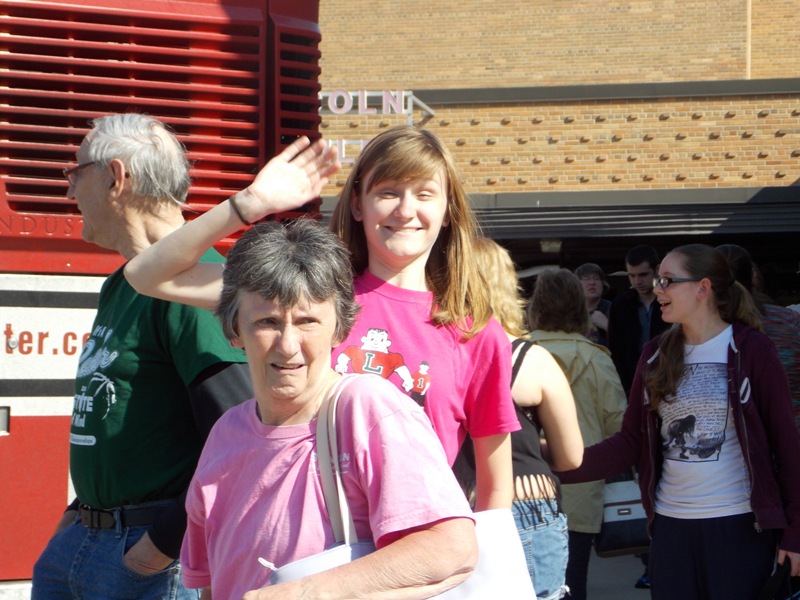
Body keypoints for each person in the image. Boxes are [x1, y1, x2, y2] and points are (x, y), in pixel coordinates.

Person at [125, 125, 519, 511]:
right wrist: (248, 204)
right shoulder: (307, 293)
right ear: (357, 204)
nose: (405, 210)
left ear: (448, 211)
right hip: (296, 533)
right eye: (387, 192)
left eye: (424, 194)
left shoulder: (476, 334)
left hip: (411, 541)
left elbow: (496, 486)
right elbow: (146, 275)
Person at [181, 219, 477, 599]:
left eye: (307, 322)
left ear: (340, 328)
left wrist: (303, 593)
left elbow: (451, 547)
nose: (288, 344)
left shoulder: (366, 410)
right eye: (267, 322)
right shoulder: (225, 434)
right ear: (234, 329)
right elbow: (211, 583)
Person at [31, 114, 254, 599]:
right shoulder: (123, 283)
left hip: (143, 560)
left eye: (75, 173)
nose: (69, 192)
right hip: (90, 539)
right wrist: (78, 516)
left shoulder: (195, 288)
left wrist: (159, 546)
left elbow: (240, 436)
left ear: (116, 177)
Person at [558, 244, 800, 600]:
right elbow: (630, 441)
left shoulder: (752, 349)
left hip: (739, 527)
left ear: (703, 287)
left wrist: (794, 532)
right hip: (671, 528)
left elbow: (787, 446)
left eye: (667, 280)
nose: (657, 289)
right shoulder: (654, 353)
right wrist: (554, 465)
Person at [470, 237, 583, 600]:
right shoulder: (531, 360)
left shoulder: (433, 357)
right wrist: (528, 444)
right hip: (528, 501)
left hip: (461, 504)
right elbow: (571, 456)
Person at [527, 269, 627, 600]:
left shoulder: (517, 353)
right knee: (573, 584)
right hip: (582, 486)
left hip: (524, 485)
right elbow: (618, 426)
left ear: (535, 306)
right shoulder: (596, 358)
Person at [716, 244, 800, 432]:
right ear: (753, 278)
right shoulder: (790, 321)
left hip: (730, 441)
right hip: (792, 433)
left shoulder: (698, 331)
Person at [608, 244, 670, 396]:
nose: (637, 281)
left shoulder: (671, 301)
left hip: (668, 378)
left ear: (657, 270)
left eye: (643, 275)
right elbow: (615, 350)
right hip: (631, 381)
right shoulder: (620, 305)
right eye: (632, 276)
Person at [575, 263, 612, 347]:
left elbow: (627, 340)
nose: (592, 282)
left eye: (596, 278)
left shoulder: (614, 309)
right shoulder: (571, 311)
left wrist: (607, 326)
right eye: (586, 279)